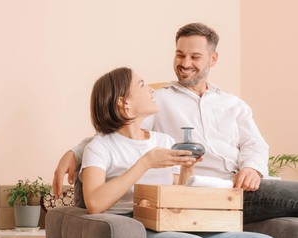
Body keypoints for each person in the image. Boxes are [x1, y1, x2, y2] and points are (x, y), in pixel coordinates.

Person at [53, 23, 298, 225]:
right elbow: (117, 130)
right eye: (180, 55)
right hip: (205, 193)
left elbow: (254, 144)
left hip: (244, 190)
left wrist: (252, 169)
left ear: (213, 59)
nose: (185, 63)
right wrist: (74, 153)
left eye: (195, 56)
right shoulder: (158, 100)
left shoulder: (233, 104)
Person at [79, 66, 280, 238]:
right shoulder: (99, 147)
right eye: (141, 85)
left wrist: (187, 169)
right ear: (124, 102)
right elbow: (95, 203)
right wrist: (145, 163)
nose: (151, 89)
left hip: (171, 222)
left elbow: (178, 191)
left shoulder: (163, 141)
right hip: (133, 227)